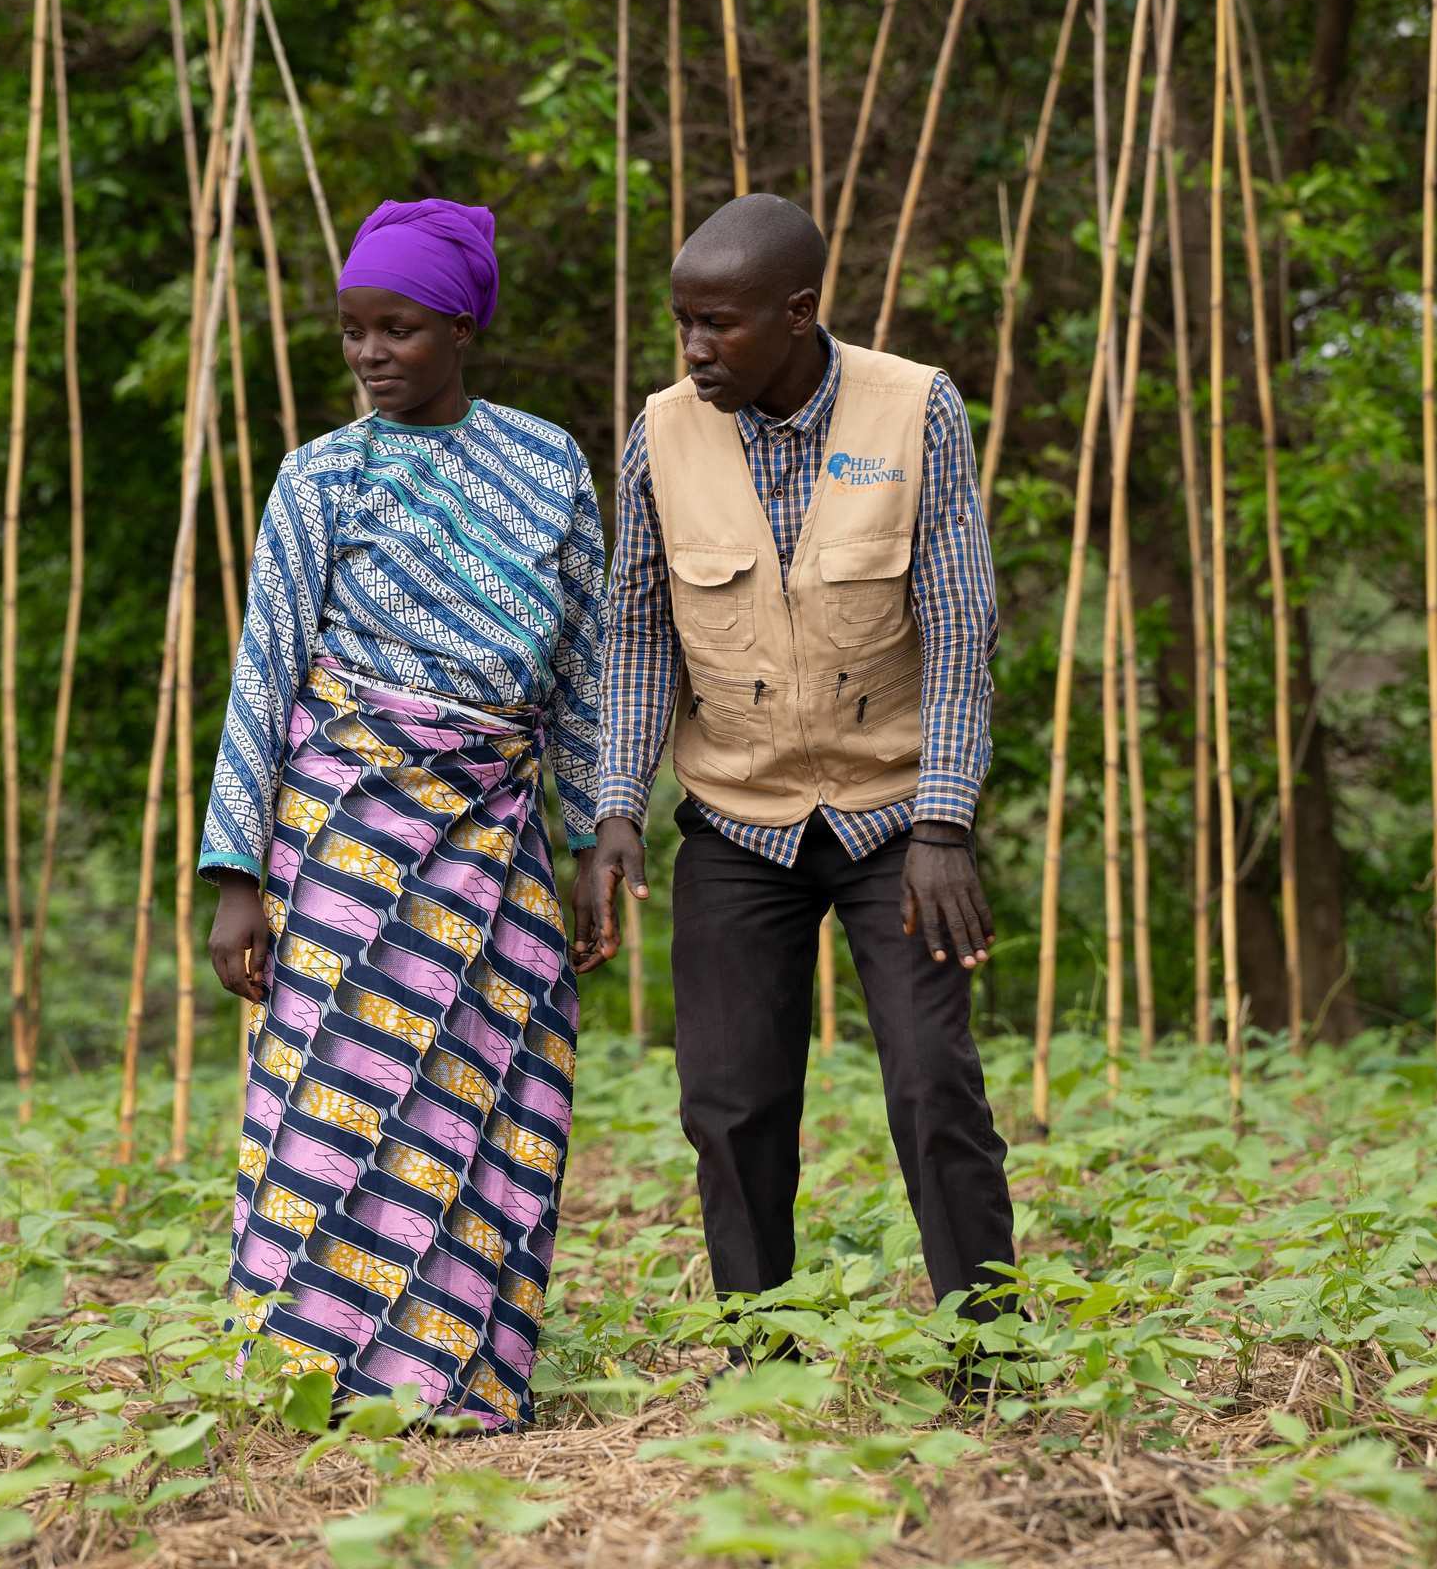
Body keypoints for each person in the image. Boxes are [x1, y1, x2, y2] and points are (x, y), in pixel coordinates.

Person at [572, 193, 1015, 1339]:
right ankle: (757, 1346)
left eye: (719, 323)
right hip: (737, 814)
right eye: (683, 323)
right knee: (730, 1104)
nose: (696, 349)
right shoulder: (662, 429)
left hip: (896, 822)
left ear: (799, 312)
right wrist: (618, 805)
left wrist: (945, 826)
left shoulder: (916, 407)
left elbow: (963, 626)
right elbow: (637, 629)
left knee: (932, 1086)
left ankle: (992, 1349)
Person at [200, 198, 606, 1431]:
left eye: (401, 328)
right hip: (344, 834)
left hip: (498, 830)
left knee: (495, 1083)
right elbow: (264, 670)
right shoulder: (322, 475)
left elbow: (587, 663)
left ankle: (464, 1378)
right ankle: (309, 1374)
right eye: (353, 331)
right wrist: (235, 876)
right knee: (339, 1088)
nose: (372, 353)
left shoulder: (547, 464)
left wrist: (592, 838)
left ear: (464, 327)